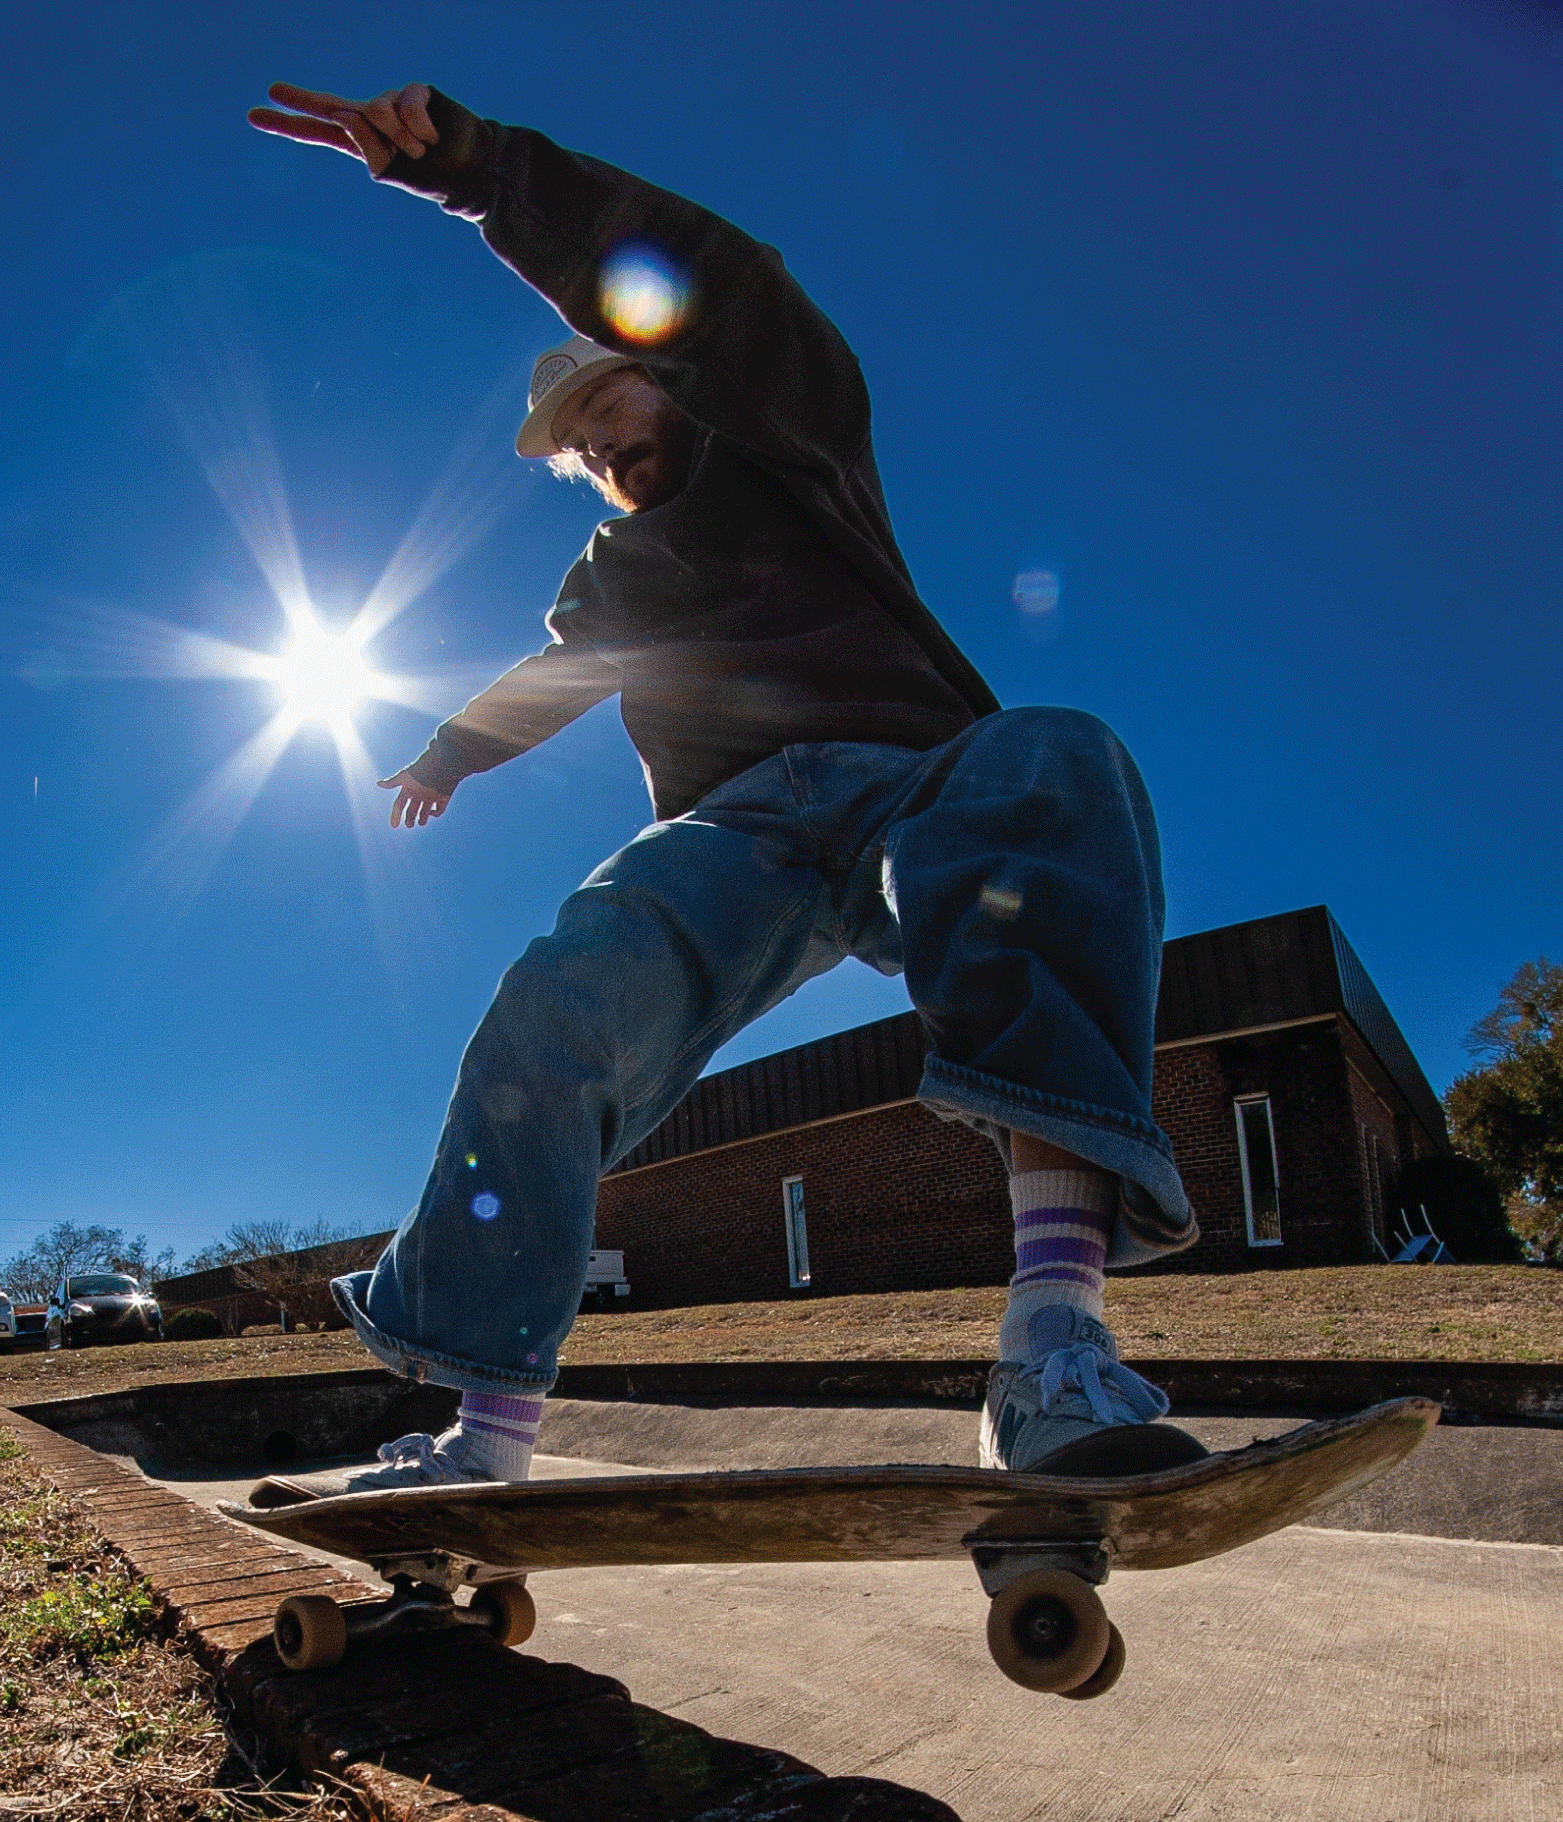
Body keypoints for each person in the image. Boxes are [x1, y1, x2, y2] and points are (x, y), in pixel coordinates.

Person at [246, 79, 1205, 1496]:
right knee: (559, 998)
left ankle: (1052, 1348)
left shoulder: (787, 438)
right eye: (581, 450)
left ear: (662, 368)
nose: (600, 447)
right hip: (731, 837)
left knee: (1058, 761)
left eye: (609, 404)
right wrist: (450, 751)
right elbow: (555, 672)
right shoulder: (614, 572)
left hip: (909, 787)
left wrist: (482, 171)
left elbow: (727, 289)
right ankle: (485, 1437)